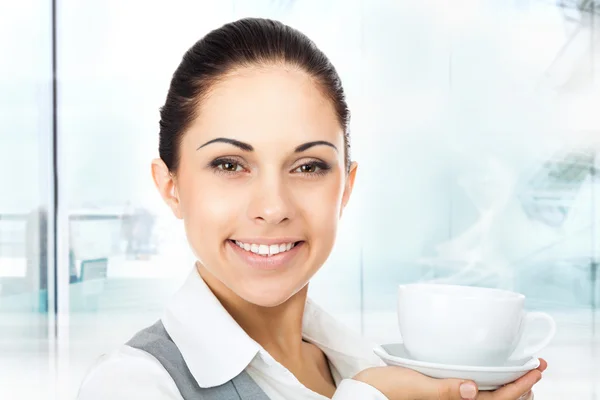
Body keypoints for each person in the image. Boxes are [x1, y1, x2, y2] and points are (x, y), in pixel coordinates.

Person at [77, 18, 546, 400]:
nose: (273, 207)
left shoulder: (368, 366)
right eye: (229, 164)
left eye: (308, 167)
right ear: (172, 186)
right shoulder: (131, 384)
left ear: (346, 188)